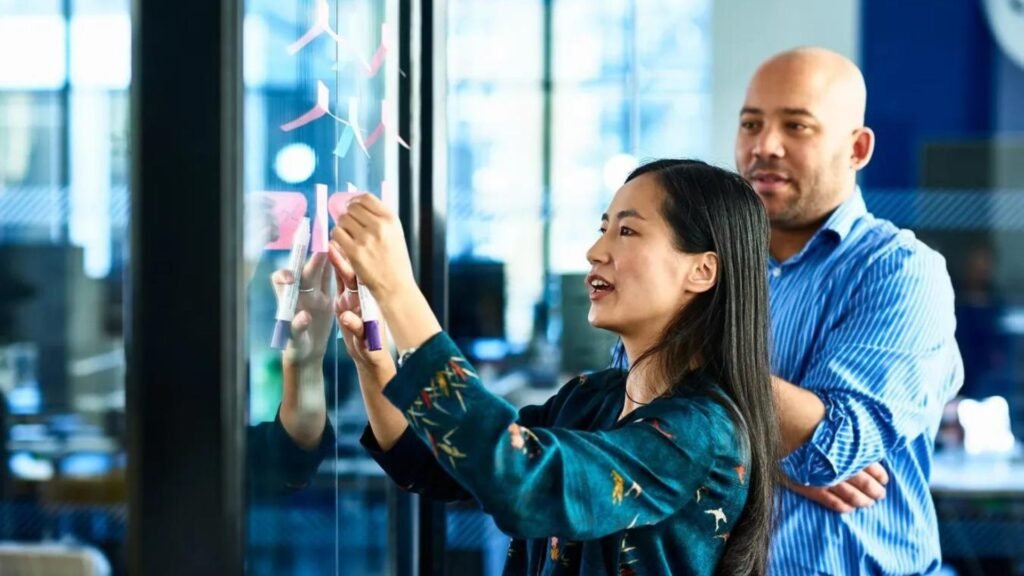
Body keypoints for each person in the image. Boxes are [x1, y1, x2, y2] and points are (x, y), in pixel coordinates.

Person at [317, 159, 780, 575]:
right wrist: (374, 363)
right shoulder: (590, 397)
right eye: (603, 228)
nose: (595, 251)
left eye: (627, 231)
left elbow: (520, 480)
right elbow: (440, 464)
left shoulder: (703, 434)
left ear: (702, 271)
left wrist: (400, 291)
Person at [735, 47, 963, 574]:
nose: (764, 146)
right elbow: (631, 405)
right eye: (751, 123)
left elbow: (830, 450)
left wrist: (689, 364)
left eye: (797, 126)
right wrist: (770, 455)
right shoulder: (705, 267)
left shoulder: (900, 272)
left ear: (857, 148)